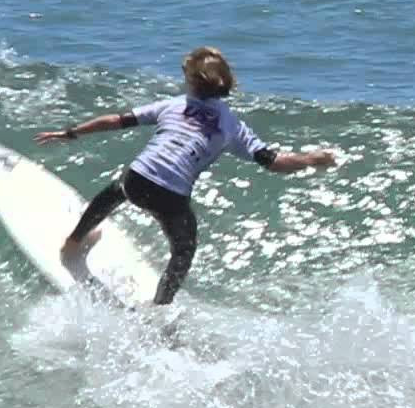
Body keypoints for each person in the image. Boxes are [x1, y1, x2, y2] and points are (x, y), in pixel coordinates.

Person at [34, 47, 336, 305]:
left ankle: (73, 242)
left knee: (116, 190)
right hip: (172, 197)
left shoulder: (174, 104)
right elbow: (275, 163)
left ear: (192, 81)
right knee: (184, 250)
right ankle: (160, 307)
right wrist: (312, 159)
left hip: (138, 179)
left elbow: (116, 120)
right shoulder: (232, 126)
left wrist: (71, 132)